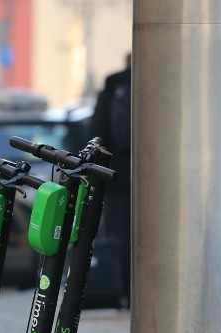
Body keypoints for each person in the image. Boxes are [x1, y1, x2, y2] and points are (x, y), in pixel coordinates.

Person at [90, 53, 132, 305]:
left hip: (115, 177)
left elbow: (97, 134)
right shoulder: (156, 84)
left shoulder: (111, 88)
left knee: (119, 235)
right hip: (152, 175)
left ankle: (124, 289)